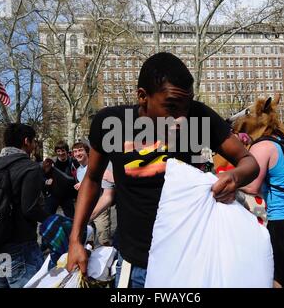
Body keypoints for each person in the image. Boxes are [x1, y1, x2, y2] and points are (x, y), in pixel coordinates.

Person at [66, 52, 259, 288]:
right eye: (171, 107)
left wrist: (234, 176)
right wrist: (75, 239)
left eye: (186, 107)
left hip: (188, 263)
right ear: (142, 97)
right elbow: (92, 179)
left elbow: (249, 161)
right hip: (134, 265)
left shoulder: (199, 116)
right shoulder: (109, 123)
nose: (181, 118)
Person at [235, 95, 284, 288]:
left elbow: (252, 186)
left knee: (279, 279)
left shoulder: (262, 146)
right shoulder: (283, 141)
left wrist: (226, 179)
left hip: (281, 223)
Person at [0, 123, 50, 288]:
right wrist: (52, 219)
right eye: (34, 141)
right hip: (19, 247)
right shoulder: (29, 168)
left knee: (2, 284)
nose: (34, 146)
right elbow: (30, 208)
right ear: (26, 141)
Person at [72, 142, 115, 246]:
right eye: (75, 151)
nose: (78, 153)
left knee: (103, 238)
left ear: (87, 152)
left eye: (80, 150)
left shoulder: (96, 165)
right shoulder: (78, 171)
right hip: (86, 206)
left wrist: (83, 184)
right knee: (88, 237)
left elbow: (105, 181)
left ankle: (107, 257)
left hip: (100, 203)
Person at [44, 141, 79, 218]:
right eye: (58, 151)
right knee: (47, 218)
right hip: (54, 194)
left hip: (67, 195)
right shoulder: (51, 162)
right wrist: (46, 181)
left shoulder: (73, 163)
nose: (61, 153)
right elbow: (43, 175)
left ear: (66, 151)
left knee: (72, 218)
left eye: (63, 150)